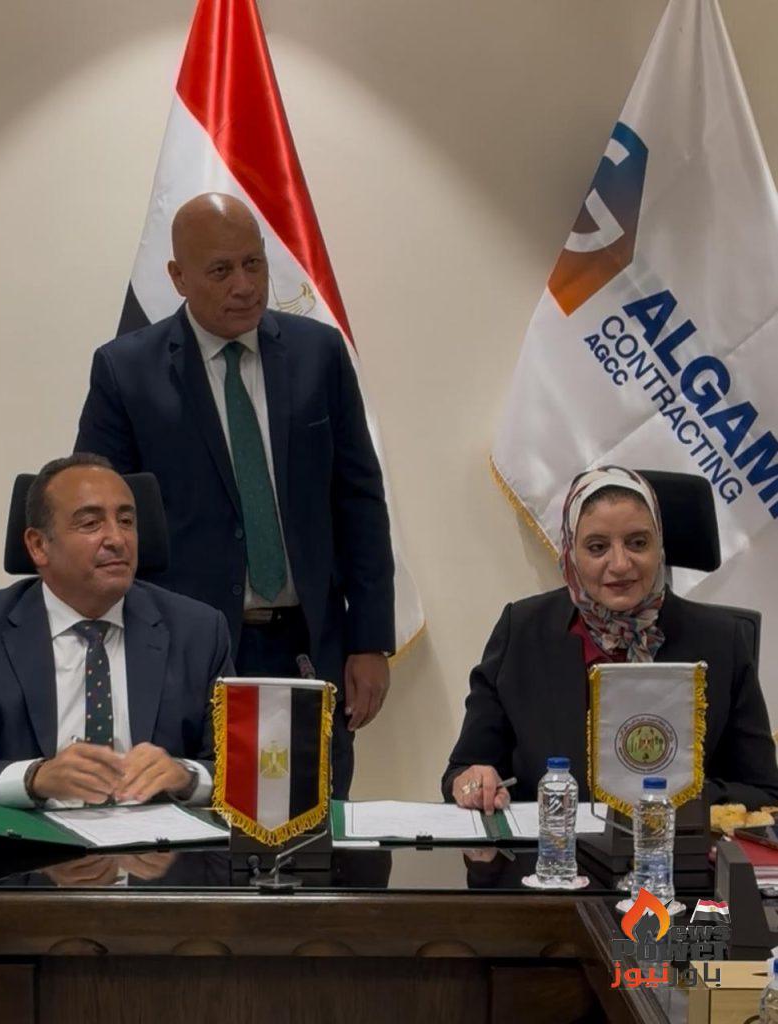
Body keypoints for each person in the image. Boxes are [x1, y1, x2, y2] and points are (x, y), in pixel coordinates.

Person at [75, 193, 395, 796]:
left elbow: (359, 500)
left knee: (308, 817)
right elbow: (98, 517)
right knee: (190, 818)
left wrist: (371, 640)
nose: (244, 286)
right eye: (221, 270)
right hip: (185, 650)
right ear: (178, 277)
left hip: (307, 644)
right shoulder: (127, 371)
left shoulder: (319, 354)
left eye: (254, 263)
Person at [443, 465, 778, 814]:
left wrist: (679, 799)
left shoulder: (721, 640)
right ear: (571, 553)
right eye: (597, 547)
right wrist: (473, 784)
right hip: (551, 844)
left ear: (660, 545)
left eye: (638, 543)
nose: (619, 564)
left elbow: (764, 792)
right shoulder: (523, 630)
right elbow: (463, 771)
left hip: (675, 845)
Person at [0, 453, 232, 806]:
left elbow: (247, 773)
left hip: (161, 838)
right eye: (91, 524)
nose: (117, 538)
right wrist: (34, 778)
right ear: (38, 546)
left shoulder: (198, 632)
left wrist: (188, 777)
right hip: (32, 838)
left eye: (126, 521)